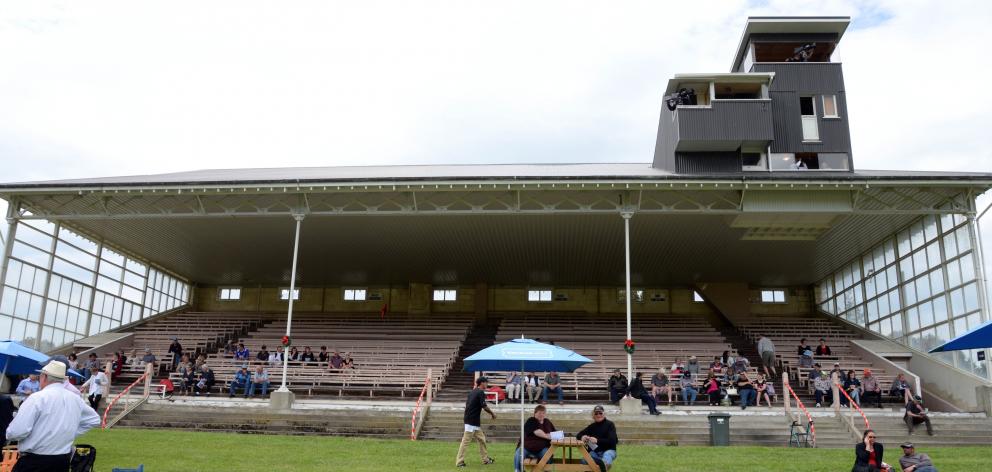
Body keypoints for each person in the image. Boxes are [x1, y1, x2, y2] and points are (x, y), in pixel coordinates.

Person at [5, 360, 101, 471]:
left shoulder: (37, 398)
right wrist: (67, 432)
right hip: (61, 460)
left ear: (44, 377)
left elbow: (16, 431)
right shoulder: (74, 398)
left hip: (35, 460)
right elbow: (94, 419)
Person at [455, 377, 496, 467]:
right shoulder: (480, 392)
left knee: (482, 440)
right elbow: (484, 406)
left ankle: (485, 459)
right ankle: (459, 462)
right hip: (471, 421)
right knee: (465, 442)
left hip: (473, 421)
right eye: (486, 383)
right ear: (482, 383)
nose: (487, 384)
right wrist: (492, 414)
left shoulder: (472, 392)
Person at [513, 405, 555, 472]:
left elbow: (555, 433)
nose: (541, 415)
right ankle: (518, 470)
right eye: (539, 413)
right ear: (535, 413)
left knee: (548, 455)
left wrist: (557, 435)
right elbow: (537, 432)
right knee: (519, 453)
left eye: (543, 413)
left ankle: (547, 470)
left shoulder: (547, 422)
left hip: (542, 449)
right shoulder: (531, 420)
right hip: (527, 448)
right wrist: (547, 436)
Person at [577, 405, 618, 472]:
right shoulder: (591, 426)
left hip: (609, 450)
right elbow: (578, 435)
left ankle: (604, 467)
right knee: (584, 461)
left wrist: (597, 441)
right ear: (593, 415)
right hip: (595, 452)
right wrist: (582, 437)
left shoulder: (610, 424)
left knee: (607, 456)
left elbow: (613, 441)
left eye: (600, 413)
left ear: (604, 414)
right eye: (596, 413)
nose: (598, 415)